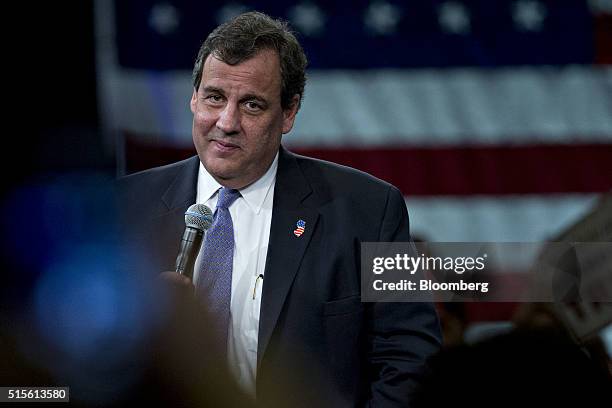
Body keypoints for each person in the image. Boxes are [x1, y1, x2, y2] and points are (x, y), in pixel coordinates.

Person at [118, 11, 441, 407]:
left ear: (288, 113)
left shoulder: (371, 209)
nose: (227, 122)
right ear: (193, 97)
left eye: (252, 105)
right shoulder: (125, 208)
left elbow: (411, 358)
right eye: (215, 97)